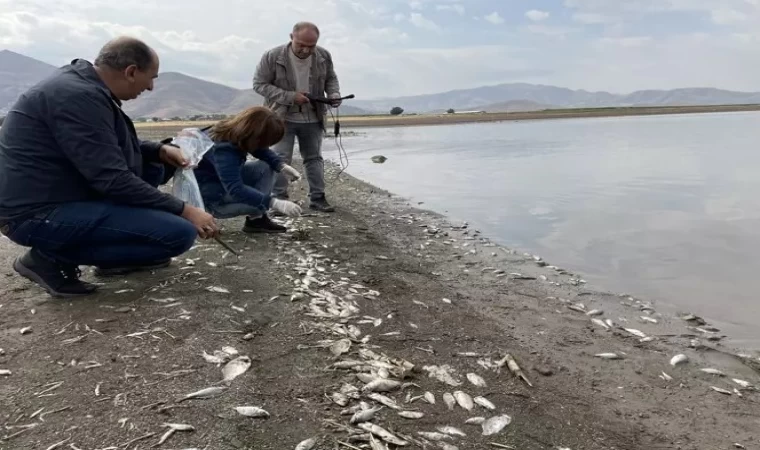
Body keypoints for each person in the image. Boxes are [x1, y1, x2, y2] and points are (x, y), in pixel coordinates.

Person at [0, 36, 219, 298]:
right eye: (152, 78)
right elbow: (112, 180)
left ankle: (111, 253)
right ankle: (50, 258)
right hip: (35, 213)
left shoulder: (82, 87)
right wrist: (187, 210)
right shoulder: (77, 96)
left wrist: (158, 150)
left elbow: (101, 141)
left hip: (57, 195)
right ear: (131, 72)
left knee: (153, 167)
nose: (150, 87)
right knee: (178, 233)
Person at [253, 21, 342, 213]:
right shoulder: (272, 56)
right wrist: (291, 97)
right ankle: (279, 200)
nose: (305, 50)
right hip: (280, 118)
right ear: (291, 37)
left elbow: (331, 79)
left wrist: (334, 95)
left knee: (314, 158)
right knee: (280, 158)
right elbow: (259, 84)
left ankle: (318, 198)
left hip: (314, 117)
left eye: (311, 46)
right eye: (301, 44)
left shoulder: (323, 55)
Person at [194, 106, 304, 232]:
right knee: (259, 204)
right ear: (254, 136)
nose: (266, 146)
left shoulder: (235, 132)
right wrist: (273, 203)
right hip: (213, 199)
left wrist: (281, 166)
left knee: (267, 166)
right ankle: (257, 216)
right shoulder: (223, 150)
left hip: (221, 181)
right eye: (265, 142)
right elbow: (236, 189)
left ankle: (257, 218)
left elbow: (260, 149)